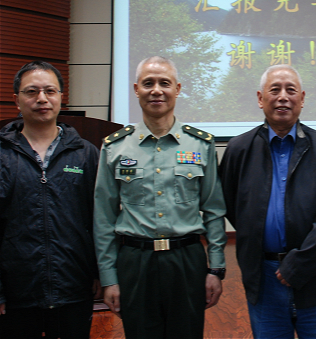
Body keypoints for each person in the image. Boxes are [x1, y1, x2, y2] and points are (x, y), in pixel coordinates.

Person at [93, 56, 227, 339]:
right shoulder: (115, 147)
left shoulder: (200, 144)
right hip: (135, 262)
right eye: (148, 83)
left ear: (177, 89)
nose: (156, 90)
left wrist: (215, 268)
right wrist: (109, 278)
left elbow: (214, 210)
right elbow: (103, 217)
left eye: (164, 83)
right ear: (136, 89)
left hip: (186, 261)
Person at [219, 64, 316, 339]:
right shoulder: (239, 150)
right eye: (274, 89)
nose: (283, 97)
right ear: (260, 98)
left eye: (291, 90)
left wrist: (302, 263)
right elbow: (231, 205)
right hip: (263, 277)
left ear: (302, 98)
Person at [0, 61, 101, 338]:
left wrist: (100, 274)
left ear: (60, 97)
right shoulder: (2, 154)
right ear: (16, 100)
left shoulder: (85, 153)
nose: (42, 98)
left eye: (50, 91)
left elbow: (99, 220)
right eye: (32, 91)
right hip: (17, 293)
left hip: (74, 289)